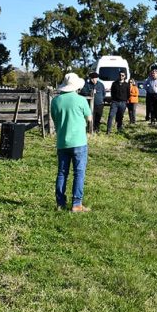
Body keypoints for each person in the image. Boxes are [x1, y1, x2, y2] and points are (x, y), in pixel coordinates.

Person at [51, 72, 92, 212]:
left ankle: (60, 203)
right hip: (79, 141)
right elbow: (89, 118)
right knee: (79, 173)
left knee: (62, 173)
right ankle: (77, 204)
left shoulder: (55, 101)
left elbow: (55, 119)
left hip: (62, 141)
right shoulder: (81, 100)